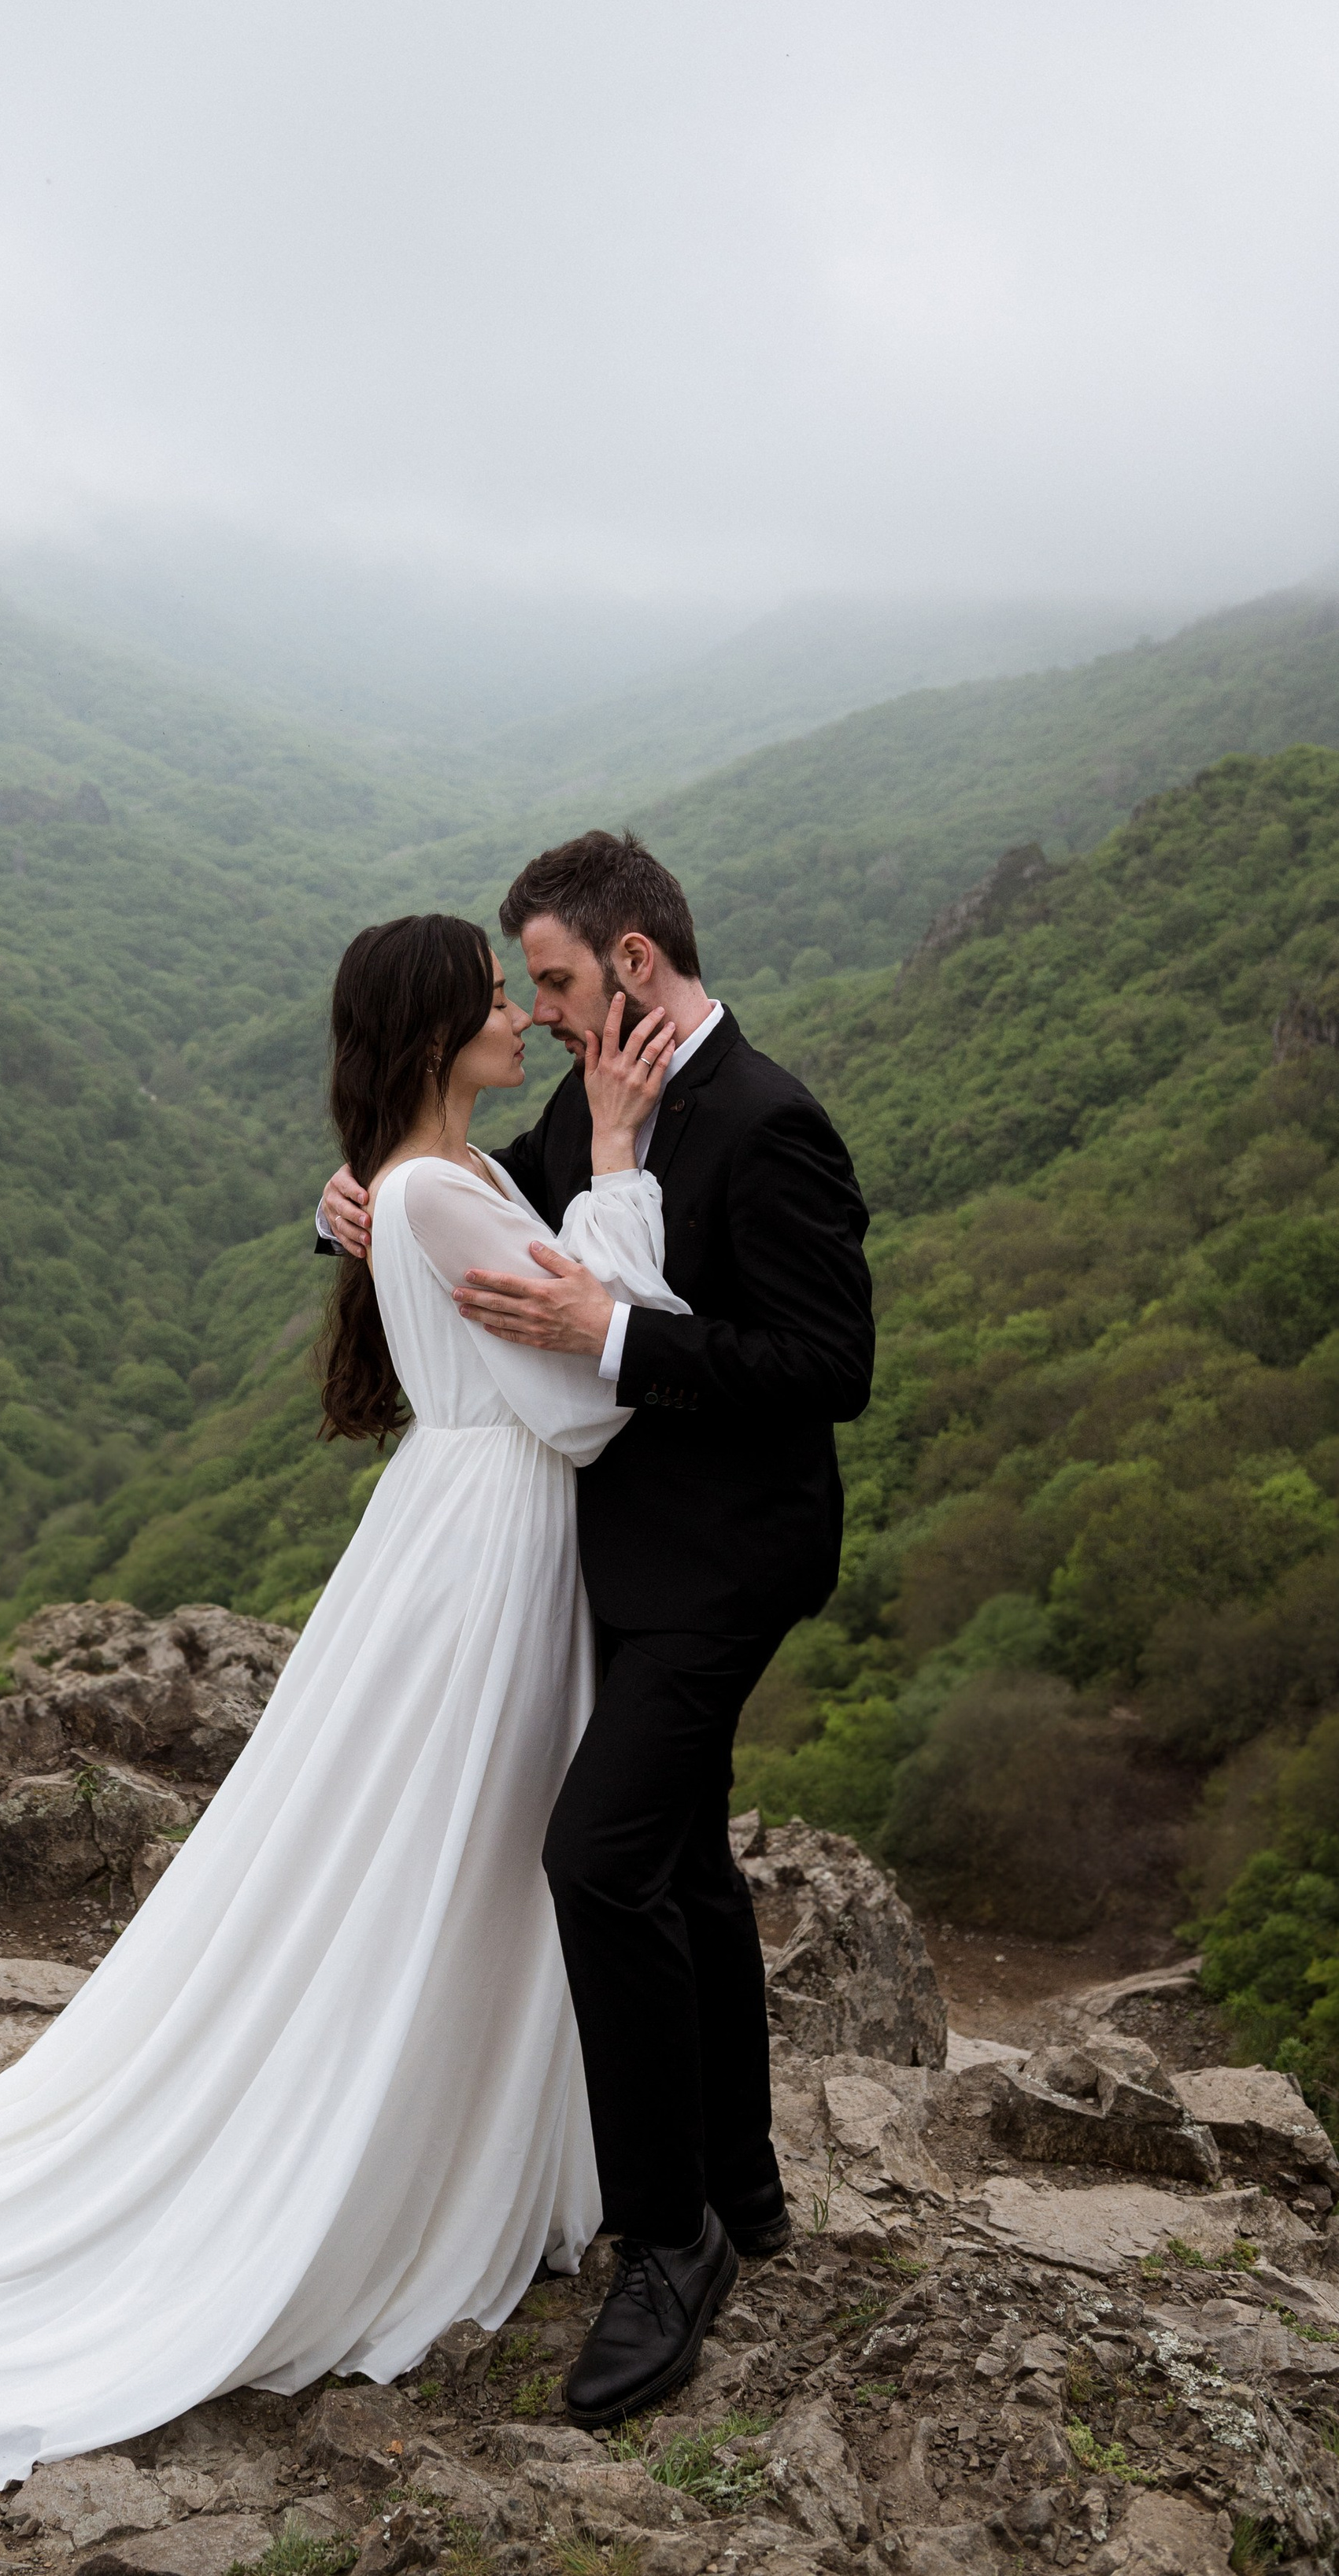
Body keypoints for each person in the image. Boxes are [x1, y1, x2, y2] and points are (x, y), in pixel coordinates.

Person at [0, 914, 690, 2489]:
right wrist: (622, 1168)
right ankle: (397, 2154)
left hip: (464, 1538)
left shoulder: (435, 1179)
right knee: (451, 1852)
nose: (518, 1012)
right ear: (436, 1027)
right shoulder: (441, 1188)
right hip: (485, 1543)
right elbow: (584, 1405)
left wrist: (562, 1203)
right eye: (493, 995)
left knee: (456, 1855)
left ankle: (460, 2135)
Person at [319, 832, 874, 2428]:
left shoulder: (770, 1123)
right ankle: (743, 2183)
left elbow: (823, 1365)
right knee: (683, 1860)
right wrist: (349, 1201)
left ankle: (667, 2237)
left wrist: (614, 1331)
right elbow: (478, 1210)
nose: (542, 1012)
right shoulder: (585, 1101)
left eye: (554, 980)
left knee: (597, 1858)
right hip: (596, 1555)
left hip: (722, 1562)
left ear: (629, 964)